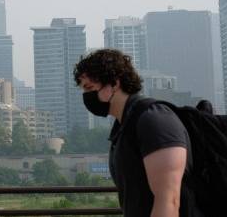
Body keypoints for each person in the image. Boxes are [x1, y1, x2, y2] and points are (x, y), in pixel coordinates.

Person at [74, 49, 203, 217]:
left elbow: (168, 201)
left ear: (114, 83)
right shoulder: (124, 126)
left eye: (89, 87)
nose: (86, 96)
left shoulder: (154, 119)